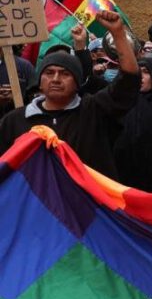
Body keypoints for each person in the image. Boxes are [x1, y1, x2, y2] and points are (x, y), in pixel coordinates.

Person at [0, 10, 139, 179]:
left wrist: (118, 34)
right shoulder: (14, 121)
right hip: (37, 204)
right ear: (40, 81)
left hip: (86, 203)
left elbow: (129, 80)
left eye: (65, 74)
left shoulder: (94, 111)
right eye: (49, 73)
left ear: (77, 82)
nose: (56, 79)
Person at [112, 54, 152, 191]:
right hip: (126, 172)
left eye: (146, 72)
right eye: (137, 72)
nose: (140, 77)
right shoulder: (121, 101)